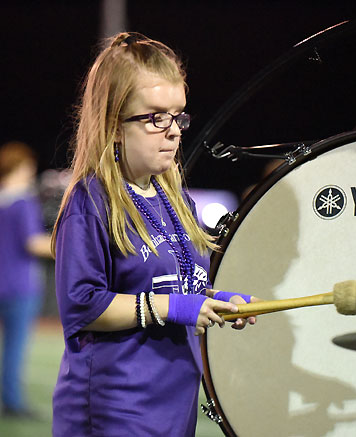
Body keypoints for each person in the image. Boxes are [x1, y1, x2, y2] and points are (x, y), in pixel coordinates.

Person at [51, 32, 258, 436]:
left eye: (178, 116)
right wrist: (172, 307)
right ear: (113, 125)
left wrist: (216, 300)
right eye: (155, 118)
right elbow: (81, 305)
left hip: (174, 407)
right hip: (116, 411)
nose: (174, 131)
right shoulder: (91, 200)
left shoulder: (175, 198)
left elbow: (175, 287)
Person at [0, 141, 52, 418]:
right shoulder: (23, 201)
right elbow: (32, 243)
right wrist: (68, 245)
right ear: (21, 167)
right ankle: (12, 402)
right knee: (14, 348)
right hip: (20, 286)